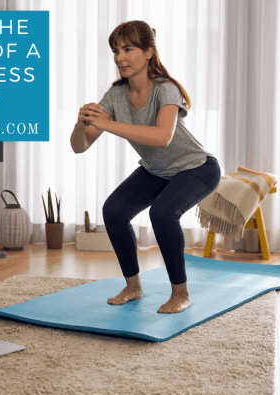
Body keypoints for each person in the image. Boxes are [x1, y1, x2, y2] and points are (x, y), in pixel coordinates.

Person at [70, 21, 221, 314]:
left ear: (149, 52)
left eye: (128, 49)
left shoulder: (167, 90)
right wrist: (80, 124)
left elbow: (162, 137)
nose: (119, 58)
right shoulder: (115, 96)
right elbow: (80, 146)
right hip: (156, 171)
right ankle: (133, 286)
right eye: (116, 51)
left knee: (163, 213)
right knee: (113, 211)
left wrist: (108, 124)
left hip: (196, 167)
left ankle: (181, 293)